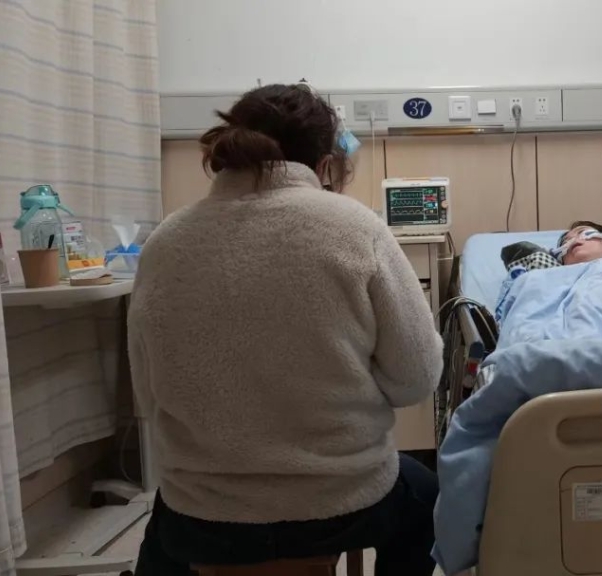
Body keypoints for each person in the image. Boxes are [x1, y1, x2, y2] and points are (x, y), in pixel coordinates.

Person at [128, 84, 443, 576]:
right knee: (425, 498)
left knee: (165, 531)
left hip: (207, 515)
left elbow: (148, 396)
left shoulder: (165, 241)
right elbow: (416, 379)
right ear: (325, 164)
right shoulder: (357, 228)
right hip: (340, 503)